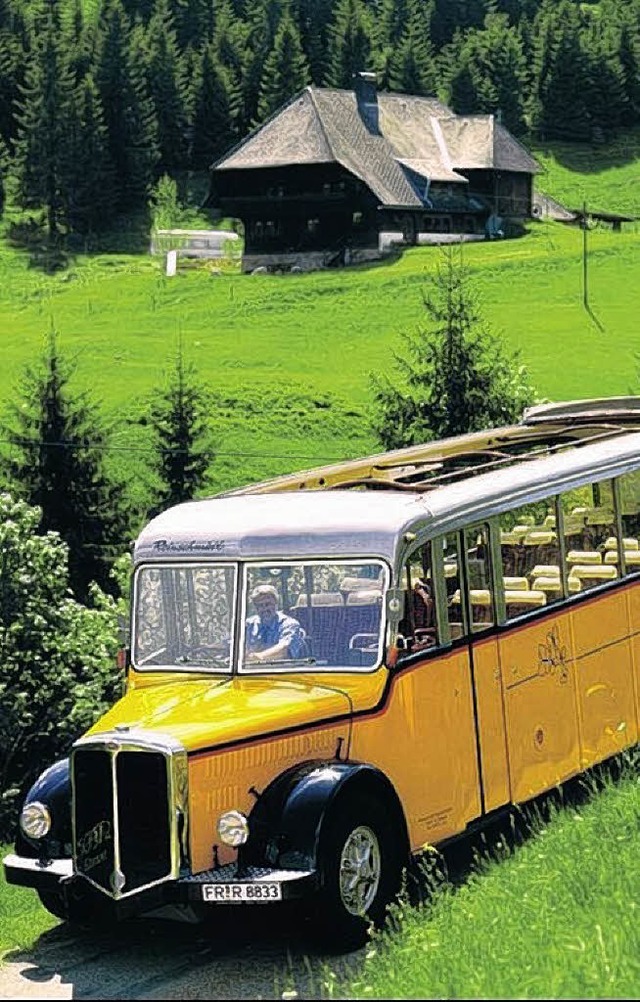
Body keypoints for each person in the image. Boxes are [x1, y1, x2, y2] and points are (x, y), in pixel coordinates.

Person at [244, 584, 306, 664]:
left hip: (282, 672)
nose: (264, 609)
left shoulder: (289, 624)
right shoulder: (249, 624)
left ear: (276, 603)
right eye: (259, 605)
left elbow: (284, 649)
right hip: (249, 672)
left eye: (268, 604)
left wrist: (259, 657)